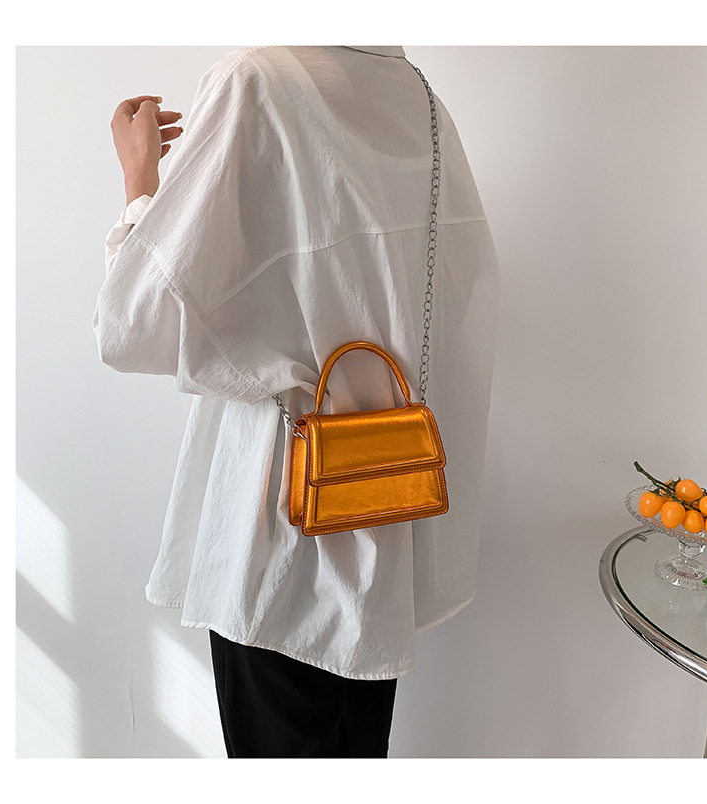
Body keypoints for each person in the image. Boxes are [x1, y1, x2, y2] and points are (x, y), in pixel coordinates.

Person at [95, 45, 501, 758]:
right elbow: (461, 292)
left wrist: (140, 183)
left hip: (278, 537)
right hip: (386, 526)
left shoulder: (255, 81)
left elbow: (136, 323)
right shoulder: (422, 100)